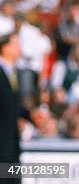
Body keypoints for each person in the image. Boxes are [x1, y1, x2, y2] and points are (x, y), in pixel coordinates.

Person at [0, 33, 22, 184]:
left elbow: (12, 105)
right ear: (5, 47)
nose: (19, 47)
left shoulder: (14, 73)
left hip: (12, 143)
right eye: (15, 44)